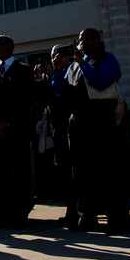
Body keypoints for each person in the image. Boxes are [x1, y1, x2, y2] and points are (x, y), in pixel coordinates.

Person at [65, 28, 130, 232]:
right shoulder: (78, 64)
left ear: (96, 41)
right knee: (84, 173)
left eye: (85, 39)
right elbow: (67, 89)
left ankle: (117, 218)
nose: (81, 43)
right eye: (80, 40)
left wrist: (82, 65)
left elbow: (102, 82)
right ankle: (87, 216)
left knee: (109, 171)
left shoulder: (108, 59)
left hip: (103, 123)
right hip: (81, 124)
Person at [0, 35, 34, 227]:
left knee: (19, 174)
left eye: (1, 44)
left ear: (11, 47)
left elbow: (26, 102)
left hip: (17, 131)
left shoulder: (24, 70)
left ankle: (19, 215)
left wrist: (9, 123)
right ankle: (2, 214)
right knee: (0, 175)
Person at [50, 43, 77, 225]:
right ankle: (71, 209)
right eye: (53, 56)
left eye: (59, 55)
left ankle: (78, 210)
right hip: (59, 129)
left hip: (73, 128)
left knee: (75, 171)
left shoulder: (72, 72)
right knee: (64, 171)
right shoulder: (54, 76)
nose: (55, 59)